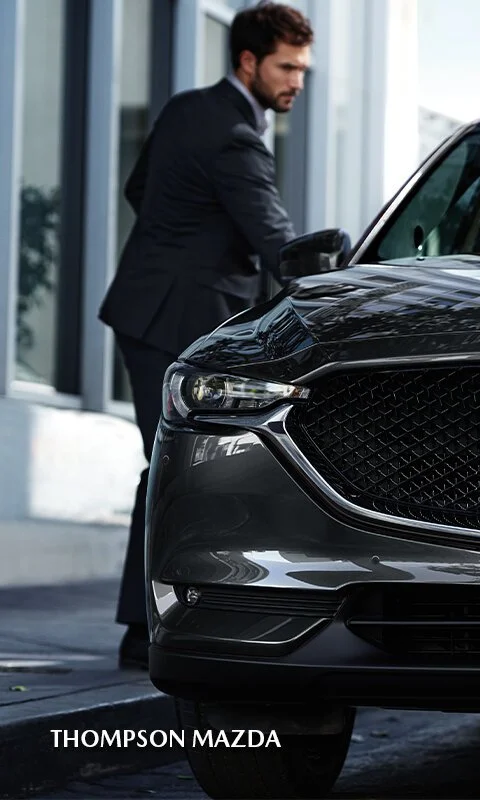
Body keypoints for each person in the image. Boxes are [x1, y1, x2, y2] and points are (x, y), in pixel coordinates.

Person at [99, 1, 313, 669]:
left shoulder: (185, 108)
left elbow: (140, 189)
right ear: (248, 61)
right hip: (186, 319)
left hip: (144, 308)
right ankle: (151, 630)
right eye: (286, 67)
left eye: (304, 69)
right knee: (176, 471)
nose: (297, 82)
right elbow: (276, 240)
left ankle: (147, 626)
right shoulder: (236, 136)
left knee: (162, 468)